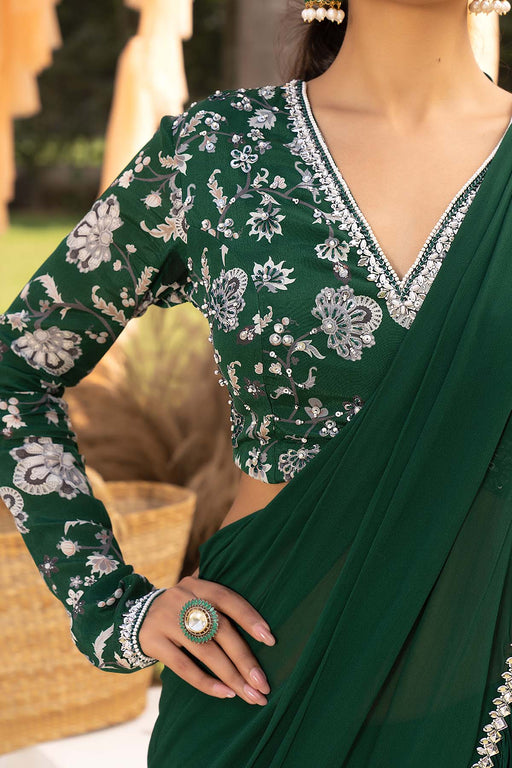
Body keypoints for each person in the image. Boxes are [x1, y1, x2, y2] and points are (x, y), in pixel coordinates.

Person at [2, 0, 512, 764]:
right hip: (253, 702)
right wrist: (113, 604)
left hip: (485, 706)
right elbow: (16, 369)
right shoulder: (217, 152)